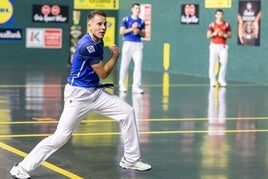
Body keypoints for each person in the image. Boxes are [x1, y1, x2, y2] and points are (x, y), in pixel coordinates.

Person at [10, 10, 151, 179]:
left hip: (95, 92)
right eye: (99, 24)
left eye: (105, 24)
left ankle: (131, 159)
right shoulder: (86, 45)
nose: (103, 27)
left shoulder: (98, 39)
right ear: (89, 25)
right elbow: (104, 73)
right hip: (77, 96)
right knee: (60, 137)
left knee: (127, 112)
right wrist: (115, 56)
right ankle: (22, 167)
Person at [118, 3, 145, 94]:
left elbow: (144, 34)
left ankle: (136, 86)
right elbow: (121, 31)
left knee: (138, 65)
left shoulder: (141, 21)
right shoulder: (126, 19)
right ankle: (122, 84)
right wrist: (132, 29)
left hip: (138, 45)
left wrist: (139, 31)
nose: (138, 10)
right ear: (132, 9)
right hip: (128, 44)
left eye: (139, 9)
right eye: (136, 8)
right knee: (124, 64)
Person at [207, 9, 232, 87]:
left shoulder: (226, 24)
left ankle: (221, 79)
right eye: (218, 14)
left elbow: (230, 35)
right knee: (212, 63)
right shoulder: (212, 25)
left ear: (223, 15)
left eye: (221, 14)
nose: (219, 16)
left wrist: (223, 34)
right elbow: (208, 36)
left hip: (223, 46)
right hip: (214, 45)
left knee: (224, 62)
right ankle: (213, 81)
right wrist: (215, 33)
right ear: (215, 15)